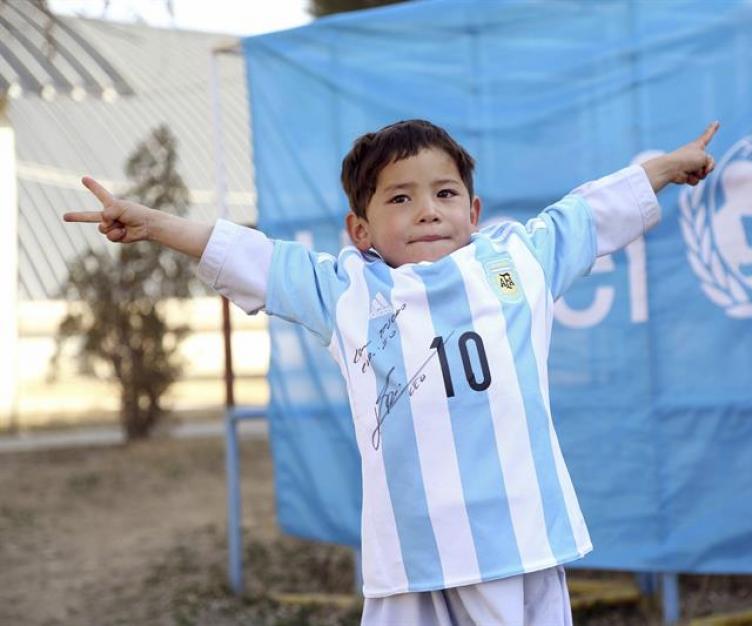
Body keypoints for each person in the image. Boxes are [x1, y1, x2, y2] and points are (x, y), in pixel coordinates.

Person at [65, 118, 718, 626]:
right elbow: (252, 255)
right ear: (361, 229)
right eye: (401, 197)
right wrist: (153, 224)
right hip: (408, 555)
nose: (428, 209)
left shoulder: (517, 261)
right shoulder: (344, 290)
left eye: (445, 193)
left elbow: (590, 213)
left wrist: (664, 167)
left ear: (475, 211)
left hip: (515, 542)